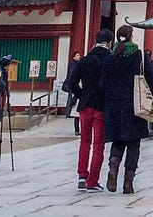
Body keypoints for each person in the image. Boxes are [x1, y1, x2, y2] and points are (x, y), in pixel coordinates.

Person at [101, 24, 153, 195]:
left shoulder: (110, 57)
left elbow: (102, 83)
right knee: (134, 143)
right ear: (131, 37)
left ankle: (113, 166)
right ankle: (128, 183)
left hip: (114, 105)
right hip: (135, 103)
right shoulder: (139, 56)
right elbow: (150, 78)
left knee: (117, 140)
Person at [65, 27, 113, 191]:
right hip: (102, 105)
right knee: (99, 143)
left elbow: (71, 83)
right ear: (110, 42)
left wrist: (82, 95)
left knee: (85, 141)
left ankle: (82, 176)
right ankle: (93, 180)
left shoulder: (84, 60)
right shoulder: (111, 59)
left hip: (85, 105)